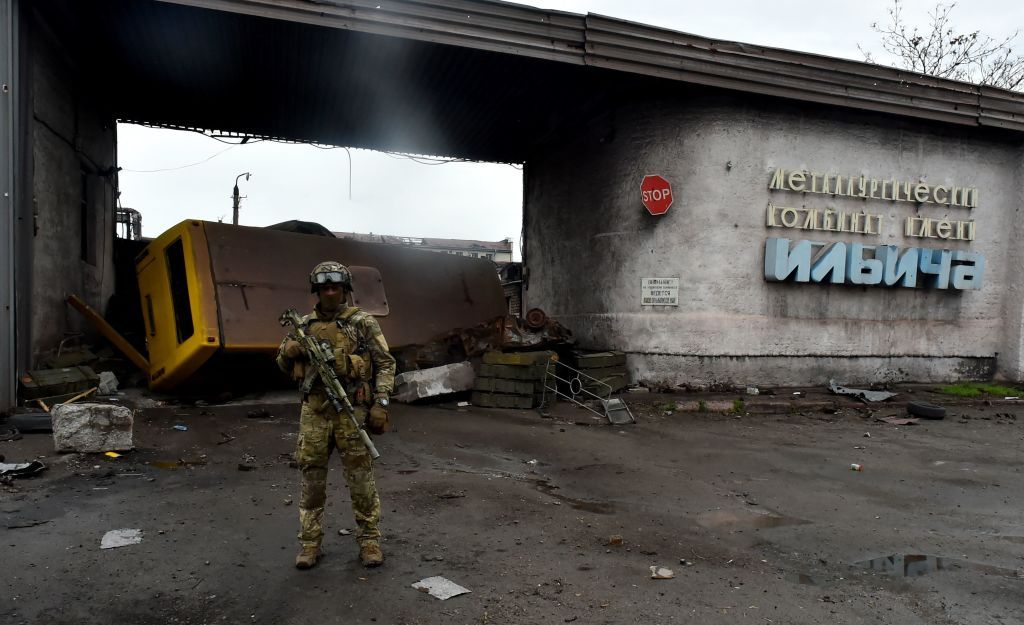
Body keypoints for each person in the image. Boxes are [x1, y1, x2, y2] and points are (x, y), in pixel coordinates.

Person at [276, 261, 396, 569]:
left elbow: (385, 363)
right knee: (311, 480)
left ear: (345, 290)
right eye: (326, 288)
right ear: (317, 290)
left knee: (361, 481)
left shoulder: (362, 322)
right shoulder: (303, 326)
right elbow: (281, 364)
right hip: (314, 412)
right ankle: (309, 544)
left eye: (337, 287)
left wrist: (381, 403)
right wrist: (289, 352)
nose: (331, 293)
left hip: (351, 410)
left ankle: (369, 542)